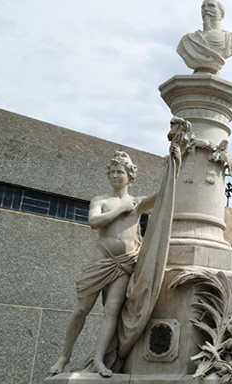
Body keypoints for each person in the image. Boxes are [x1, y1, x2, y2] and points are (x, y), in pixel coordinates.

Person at [48, 151, 156, 377]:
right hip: (101, 259)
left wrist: (177, 165)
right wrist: (119, 210)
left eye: (121, 172)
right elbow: (94, 222)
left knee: (112, 310)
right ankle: (64, 356)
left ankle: (99, 359)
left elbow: (162, 196)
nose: (116, 175)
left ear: (130, 176)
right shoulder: (101, 200)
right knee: (81, 309)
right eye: (113, 171)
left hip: (125, 264)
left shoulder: (138, 202)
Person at [177, 0, 232, 74]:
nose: (205, 9)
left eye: (211, 6)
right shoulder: (187, 40)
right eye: (203, 7)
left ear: (221, 13)